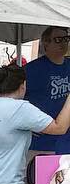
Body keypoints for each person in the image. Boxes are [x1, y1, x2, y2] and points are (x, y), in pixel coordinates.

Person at [26, 26, 70, 156]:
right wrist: (26, 124)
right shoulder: (30, 70)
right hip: (40, 143)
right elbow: (12, 101)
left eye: (66, 39)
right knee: (40, 176)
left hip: (66, 142)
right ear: (46, 42)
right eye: (58, 39)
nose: (63, 43)